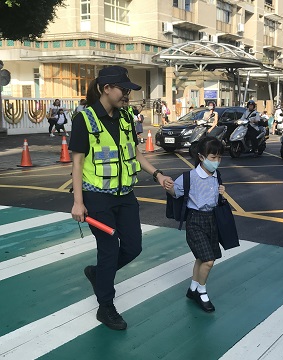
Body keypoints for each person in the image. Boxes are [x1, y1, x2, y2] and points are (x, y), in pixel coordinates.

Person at [70, 66, 172, 331]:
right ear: (106, 89)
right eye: (123, 89)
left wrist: (157, 174)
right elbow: (77, 164)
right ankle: (106, 307)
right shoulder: (85, 119)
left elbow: (135, 154)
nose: (128, 95)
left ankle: (98, 274)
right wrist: (78, 202)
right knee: (108, 249)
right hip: (96, 198)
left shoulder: (127, 117)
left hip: (126, 195)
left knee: (133, 247)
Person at [163, 136, 226, 313]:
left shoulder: (216, 175)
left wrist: (222, 192)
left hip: (211, 219)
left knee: (201, 258)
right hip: (195, 221)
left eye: (219, 158)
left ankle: (192, 289)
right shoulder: (189, 177)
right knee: (208, 260)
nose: (217, 162)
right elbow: (175, 192)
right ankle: (201, 292)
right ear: (201, 157)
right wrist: (167, 185)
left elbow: (216, 197)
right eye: (213, 158)